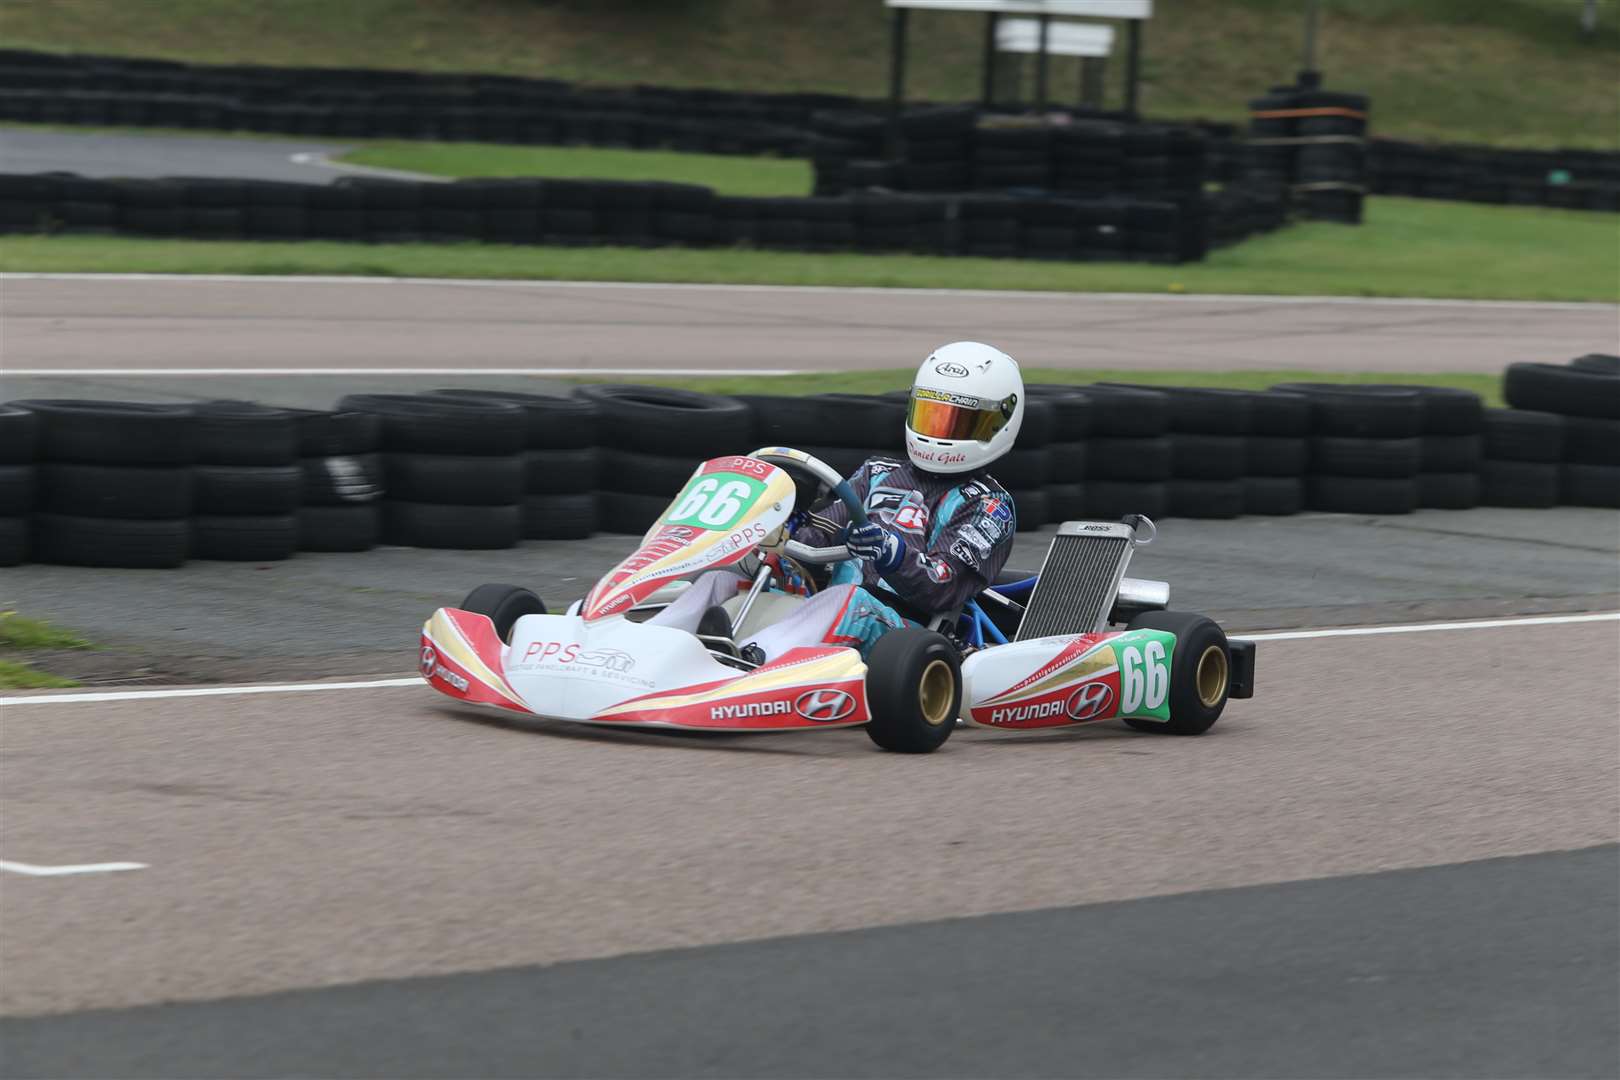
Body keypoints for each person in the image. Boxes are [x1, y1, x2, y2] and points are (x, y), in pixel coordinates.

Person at [656, 341, 1023, 661]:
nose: (939, 433)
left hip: (906, 630)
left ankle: (750, 658)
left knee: (848, 599)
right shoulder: (876, 473)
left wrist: (893, 553)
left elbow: (943, 586)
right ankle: (654, 642)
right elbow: (819, 537)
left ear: (999, 425)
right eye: (932, 416)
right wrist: (782, 528)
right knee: (724, 576)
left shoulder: (989, 506)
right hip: (830, 602)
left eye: (958, 424)